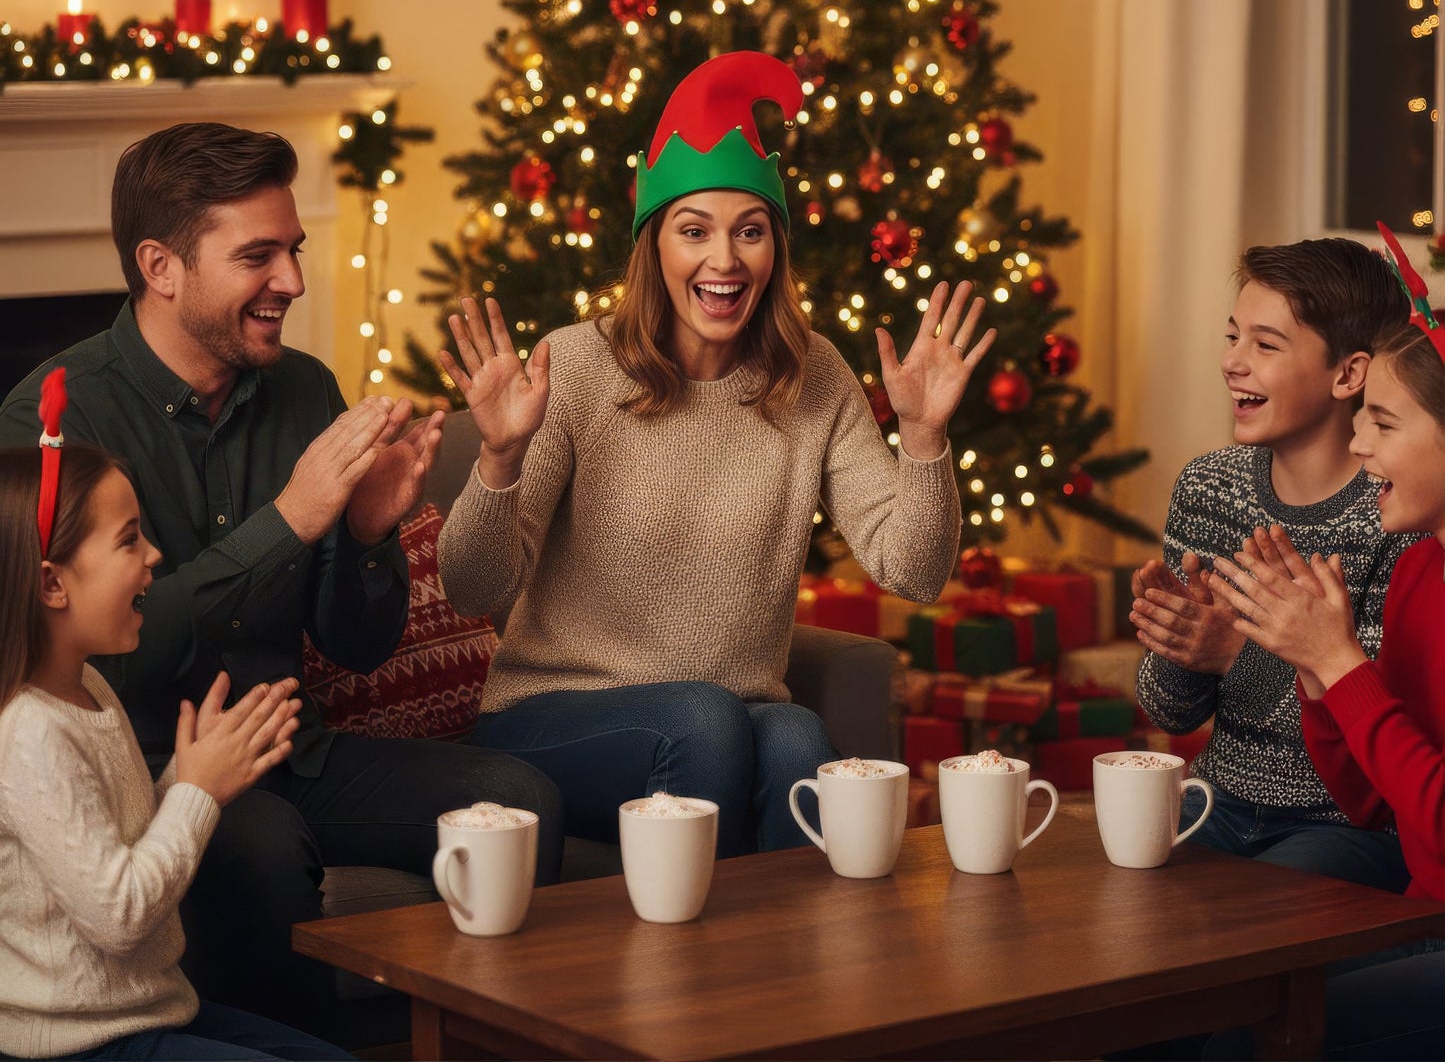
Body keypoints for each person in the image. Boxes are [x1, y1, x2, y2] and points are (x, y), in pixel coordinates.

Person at [0, 124, 562, 1041]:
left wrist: (369, 534)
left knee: (517, 799)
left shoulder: (304, 391)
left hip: (296, 748)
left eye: (292, 250)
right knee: (255, 843)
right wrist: (291, 521)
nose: (293, 282)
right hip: (151, 774)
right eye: (257, 255)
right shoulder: (54, 417)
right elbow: (69, 661)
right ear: (161, 265)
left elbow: (357, 642)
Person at [437, 51, 995, 857]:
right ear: (653, 246)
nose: (724, 261)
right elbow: (470, 585)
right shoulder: (577, 366)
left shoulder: (814, 375)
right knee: (707, 718)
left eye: (749, 232)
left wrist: (923, 439)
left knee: (800, 741)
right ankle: (695, 973)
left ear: (774, 249)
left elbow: (913, 571)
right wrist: (497, 457)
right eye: (693, 230)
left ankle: (779, 977)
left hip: (727, 716)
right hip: (557, 715)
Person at [0, 372, 349, 1060]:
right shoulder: (28, 732)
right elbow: (120, 914)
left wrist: (194, 773)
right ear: (51, 581)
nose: (155, 556)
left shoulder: (91, 686)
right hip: (77, 1044)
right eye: (131, 540)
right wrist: (196, 790)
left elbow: (116, 848)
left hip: (149, 1012)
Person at [1204, 225, 1445, 1058]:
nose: (1357, 442)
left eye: (1382, 421)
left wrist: (1341, 665)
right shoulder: (1422, 573)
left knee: (1246, 1024)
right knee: (1185, 996)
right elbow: (1371, 799)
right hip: (1421, 908)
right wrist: (1314, 668)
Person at [1130, 238, 1414, 890]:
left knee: (1241, 928)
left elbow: (1375, 730)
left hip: (1348, 827)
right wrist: (1179, 646)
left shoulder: (1395, 512)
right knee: (1121, 905)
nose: (1231, 362)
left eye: (1264, 345)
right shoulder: (1208, 487)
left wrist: (1235, 653)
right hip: (1215, 802)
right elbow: (1167, 713)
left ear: (1347, 375)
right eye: (1233, 337)